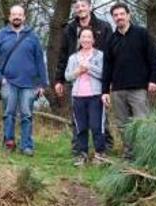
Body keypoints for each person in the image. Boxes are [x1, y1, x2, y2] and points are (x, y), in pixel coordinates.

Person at [101, 2, 156, 161]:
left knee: (142, 123)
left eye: (122, 14)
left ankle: (146, 155)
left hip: (139, 88)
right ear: (113, 18)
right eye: (115, 15)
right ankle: (129, 155)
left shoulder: (141, 34)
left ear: (129, 15)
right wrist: (105, 91)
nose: (119, 17)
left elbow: (153, 58)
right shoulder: (111, 40)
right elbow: (106, 67)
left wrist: (154, 80)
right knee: (123, 125)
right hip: (118, 90)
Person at [0, 5, 48, 155]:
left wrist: (42, 83)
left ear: (24, 17)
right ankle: (9, 143)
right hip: (8, 82)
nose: (17, 17)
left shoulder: (32, 36)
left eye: (19, 15)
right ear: (9, 17)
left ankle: (26, 145)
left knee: (27, 115)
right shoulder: (2, 35)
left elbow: (40, 61)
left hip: (29, 83)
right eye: (14, 14)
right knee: (8, 114)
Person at [54, 0, 114, 151]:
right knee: (78, 120)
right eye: (77, 6)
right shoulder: (69, 29)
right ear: (75, 9)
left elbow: (111, 55)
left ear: (90, 7)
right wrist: (59, 80)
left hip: (98, 82)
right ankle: (79, 149)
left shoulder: (103, 26)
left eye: (83, 6)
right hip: (76, 80)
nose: (81, 9)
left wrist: (110, 79)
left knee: (99, 119)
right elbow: (62, 55)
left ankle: (104, 148)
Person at [64, 28, 108, 166]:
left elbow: (104, 74)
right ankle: (82, 155)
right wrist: (78, 71)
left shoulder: (100, 55)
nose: (86, 40)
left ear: (93, 39)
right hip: (78, 96)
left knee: (96, 126)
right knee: (80, 127)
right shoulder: (73, 57)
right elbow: (67, 76)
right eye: (83, 37)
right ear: (79, 39)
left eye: (89, 37)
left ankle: (100, 154)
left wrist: (89, 67)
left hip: (95, 96)